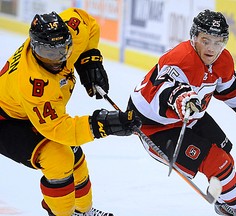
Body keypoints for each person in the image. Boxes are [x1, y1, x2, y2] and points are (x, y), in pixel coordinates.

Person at [127, 9, 236, 216]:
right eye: (205, 40)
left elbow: (233, 92)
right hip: (153, 126)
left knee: (224, 154)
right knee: (217, 162)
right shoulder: (181, 59)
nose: (211, 48)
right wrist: (180, 97)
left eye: (218, 42)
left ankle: (227, 204)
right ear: (194, 36)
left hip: (190, 116)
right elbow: (163, 91)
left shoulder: (222, 60)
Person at [0, 8, 141, 216]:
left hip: (30, 111)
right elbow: (59, 129)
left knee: (75, 156)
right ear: (36, 47)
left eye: (63, 50)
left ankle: (81, 211)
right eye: (49, 53)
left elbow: (89, 24)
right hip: (7, 120)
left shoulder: (72, 30)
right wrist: (103, 124)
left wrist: (89, 58)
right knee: (59, 158)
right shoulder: (33, 83)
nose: (58, 59)